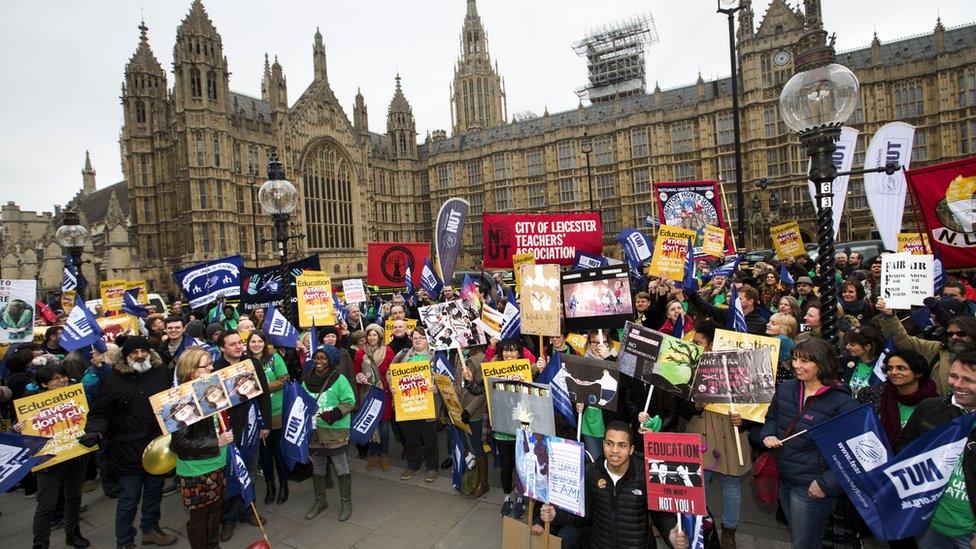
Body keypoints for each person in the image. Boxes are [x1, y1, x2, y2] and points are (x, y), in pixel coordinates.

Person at [761, 339, 860, 549]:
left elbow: (853, 452)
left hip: (811, 486)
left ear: (822, 364)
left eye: (804, 361)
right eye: (795, 359)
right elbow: (771, 419)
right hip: (784, 477)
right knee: (799, 535)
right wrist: (768, 435)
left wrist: (826, 484)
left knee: (805, 543)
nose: (796, 365)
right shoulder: (786, 388)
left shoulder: (843, 403)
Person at [80, 337, 177, 548]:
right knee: (129, 499)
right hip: (127, 449)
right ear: (126, 355)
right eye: (135, 352)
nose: (140, 355)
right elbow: (100, 413)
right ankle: (125, 541)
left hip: (157, 447)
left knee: (154, 492)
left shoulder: (161, 373)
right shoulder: (112, 380)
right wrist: (95, 432)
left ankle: (150, 529)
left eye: (144, 351)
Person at [538, 421, 687, 549]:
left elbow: (661, 515)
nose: (614, 451)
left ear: (631, 449)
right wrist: (556, 514)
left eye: (622, 445)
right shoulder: (591, 472)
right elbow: (585, 515)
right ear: (603, 444)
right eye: (610, 443)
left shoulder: (645, 474)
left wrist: (671, 535)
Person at [893, 353, 976, 548]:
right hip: (927, 523)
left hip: (969, 534)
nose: (957, 384)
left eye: (968, 380)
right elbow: (903, 445)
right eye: (953, 376)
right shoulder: (930, 408)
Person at [14, 363, 91, 548]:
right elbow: (21, 428)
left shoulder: (74, 394)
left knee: (74, 496)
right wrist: (17, 429)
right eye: (56, 379)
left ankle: (73, 533)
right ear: (44, 384)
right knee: (46, 503)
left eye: (63, 376)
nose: (62, 381)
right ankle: (40, 543)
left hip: (75, 452)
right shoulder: (30, 403)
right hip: (48, 459)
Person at [169, 347, 234, 549]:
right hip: (196, 470)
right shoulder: (180, 401)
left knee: (216, 510)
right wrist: (216, 442)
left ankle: (214, 545)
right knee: (199, 517)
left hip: (218, 461)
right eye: (206, 366)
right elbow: (179, 443)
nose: (211, 368)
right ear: (191, 371)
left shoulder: (211, 388)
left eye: (210, 364)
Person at [212, 331, 272, 543]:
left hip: (251, 424)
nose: (238, 347)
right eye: (232, 344)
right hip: (228, 430)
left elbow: (264, 393)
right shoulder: (214, 369)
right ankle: (228, 520)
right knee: (231, 473)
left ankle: (248, 510)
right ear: (222, 348)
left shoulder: (251, 364)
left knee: (250, 469)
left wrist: (265, 423)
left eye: (240, 343)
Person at [877, 296, 976, 396]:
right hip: (941, 408)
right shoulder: (936, 349)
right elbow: (903, 341)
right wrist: (889, 316)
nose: (954, 337)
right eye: (950, 334)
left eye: (961, 334)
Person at [302, 344, 356, 521]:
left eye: (323, 358)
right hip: (315, 431)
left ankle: (346, 502)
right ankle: (320, 501)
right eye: (316, 358)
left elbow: (349, 402)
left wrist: (333, 414)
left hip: (335, 430)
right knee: (317, 466)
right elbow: (301, 401)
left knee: (341, 466)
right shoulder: (307, 380)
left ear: (330, 361)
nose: (319, 361)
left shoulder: (339, 379)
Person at [245, 330, 291, 506]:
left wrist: (262, 388)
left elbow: (285, 379)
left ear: (264, 343)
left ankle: (284, 485)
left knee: (278, 452)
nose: (256, 344)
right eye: (252, 342)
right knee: (264, 455)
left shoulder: (274, 357)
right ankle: (270, 485)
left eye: (259, 341)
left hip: (276, 412)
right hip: (256, 415)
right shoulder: (245, 361)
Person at [391, 328, 441, 483]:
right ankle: (413, 465)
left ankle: (432, 467)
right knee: (411, 438)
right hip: (407, 405)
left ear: (428, 340)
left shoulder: (436, 357)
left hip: (428, 405)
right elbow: (390, 372)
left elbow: (446, 377)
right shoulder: (402, 355)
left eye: (421, 337)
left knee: (429, 438)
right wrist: (392, 385)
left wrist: (437, 387)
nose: (417, 340)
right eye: (415, 338)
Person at [353, 323, 395, 471]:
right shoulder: (360, 353)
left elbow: (392, 372)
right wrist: (360, 376)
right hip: (367, 394)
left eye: (374, 334)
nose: (372, 337)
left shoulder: (388, 352)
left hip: (384, 394)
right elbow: (356, 371)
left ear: (380, 336)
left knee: (384, 428)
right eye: (369, 335)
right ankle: (373, 455)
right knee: (370, 426)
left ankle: (384, 456)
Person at [686, 284, 767, 335]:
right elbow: (708, 309)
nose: (734, 301)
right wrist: (692, 294)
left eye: (739, 299)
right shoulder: (729, 314)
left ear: (750, 301)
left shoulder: (760, 322)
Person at [840, 325, 885, 396]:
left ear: (867, 346)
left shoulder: (882, 366)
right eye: (847, 343)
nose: (847, 347)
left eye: (852, 345)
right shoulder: (846, 361)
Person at [765, 312, 797, 384]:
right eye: (769, 322)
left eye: (773, 324)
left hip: (782, 379)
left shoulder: (783, 339)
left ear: (784, 328)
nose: (768, 325)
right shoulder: (786, 339)